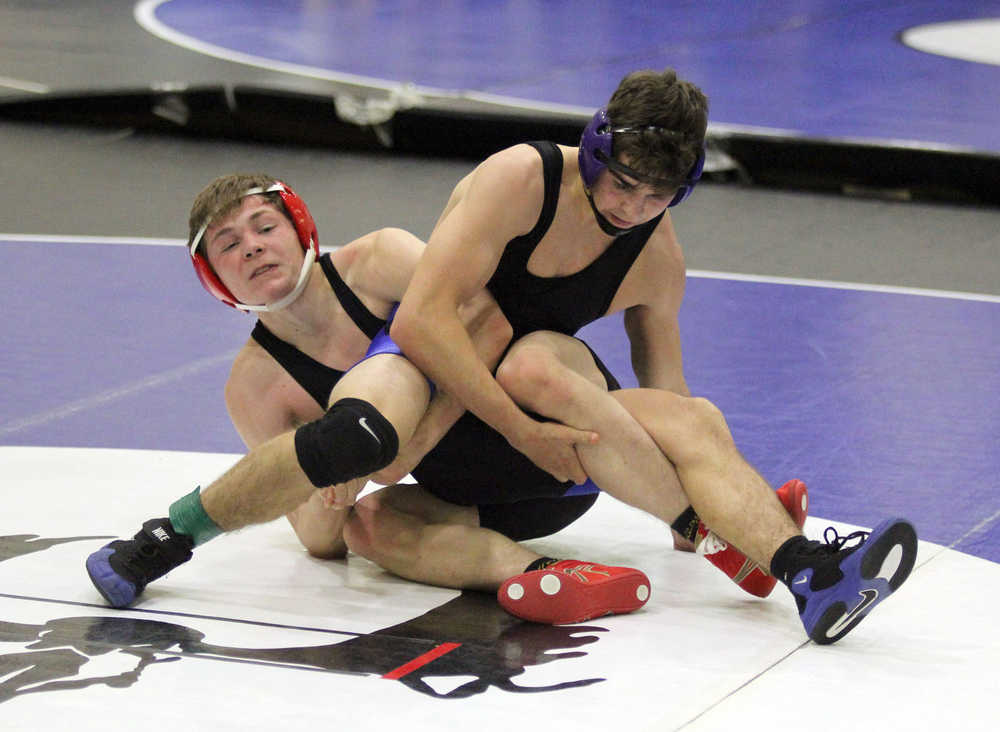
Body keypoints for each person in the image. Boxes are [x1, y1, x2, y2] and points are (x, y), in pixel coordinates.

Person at [85, 172, 798, 629]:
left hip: (544, 419)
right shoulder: (255, 384)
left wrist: (406, 443)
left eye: (263, 227)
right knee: (368, 526)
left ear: (299, 226)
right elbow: (318, 537)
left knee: (541, 367)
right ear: (214, 279)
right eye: (228, 245)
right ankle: (545, 577)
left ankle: (741, 520)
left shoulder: (380, 260)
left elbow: (488, 324)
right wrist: (351, 470)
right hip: (491, 492)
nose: (254, 248)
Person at [388, 67, 917, 644]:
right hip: (449, 439)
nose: (633, 209)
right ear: (595, 149)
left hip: (555, 481)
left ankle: (807, 571)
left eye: (658, 196)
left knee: (693, 416)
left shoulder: (656, 257)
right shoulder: (521, 180)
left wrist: (715, 480)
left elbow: (671, 400)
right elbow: (419, 321)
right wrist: (517, 428)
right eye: (623, 183)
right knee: (529, 361)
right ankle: (718, 532)